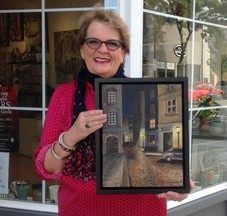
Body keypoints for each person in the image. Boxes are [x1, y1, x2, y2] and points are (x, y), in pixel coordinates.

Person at [34, 8, 191, 216]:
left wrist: (178, 183)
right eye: (93, 42)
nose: (102, 50)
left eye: (112, 43)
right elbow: (45, 170)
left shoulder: (140, 93)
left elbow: (166, 165)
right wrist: (71, 137)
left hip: (140, 211)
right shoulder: (64, 96)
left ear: (123, 52)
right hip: (80, 210)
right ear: (82, 49)